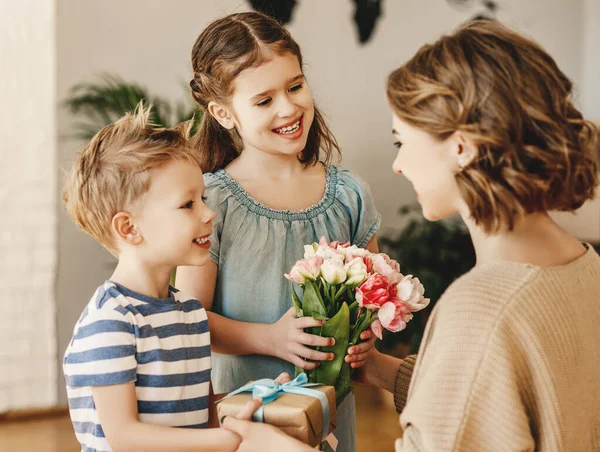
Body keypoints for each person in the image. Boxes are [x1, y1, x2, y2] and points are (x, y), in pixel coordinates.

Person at [223, 19, 600, 452]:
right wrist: (381, 370)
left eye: (401, 140)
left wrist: (277, 446)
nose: (398, 165)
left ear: (461, 147)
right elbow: (497, 396)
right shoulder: (586, 268)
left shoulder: (482, 308)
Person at [176, 12, 380, 451]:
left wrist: (365, 336)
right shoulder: (212, 203)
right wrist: (269, 337)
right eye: (264, 100)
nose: (288, 108)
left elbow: (373, 297)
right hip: (245, 419)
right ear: (223, 113)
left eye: (295, 86)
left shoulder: (349, 194)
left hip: (330, 413)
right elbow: (190, 321)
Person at [62, 105, 274, 451]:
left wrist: (263, 401)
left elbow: (201, 416)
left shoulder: (190, 314)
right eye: (187, 205)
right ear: (129, 228)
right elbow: (125, 436)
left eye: (202, 198)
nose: (209, 213)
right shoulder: (110, 322)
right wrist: (224, 441)